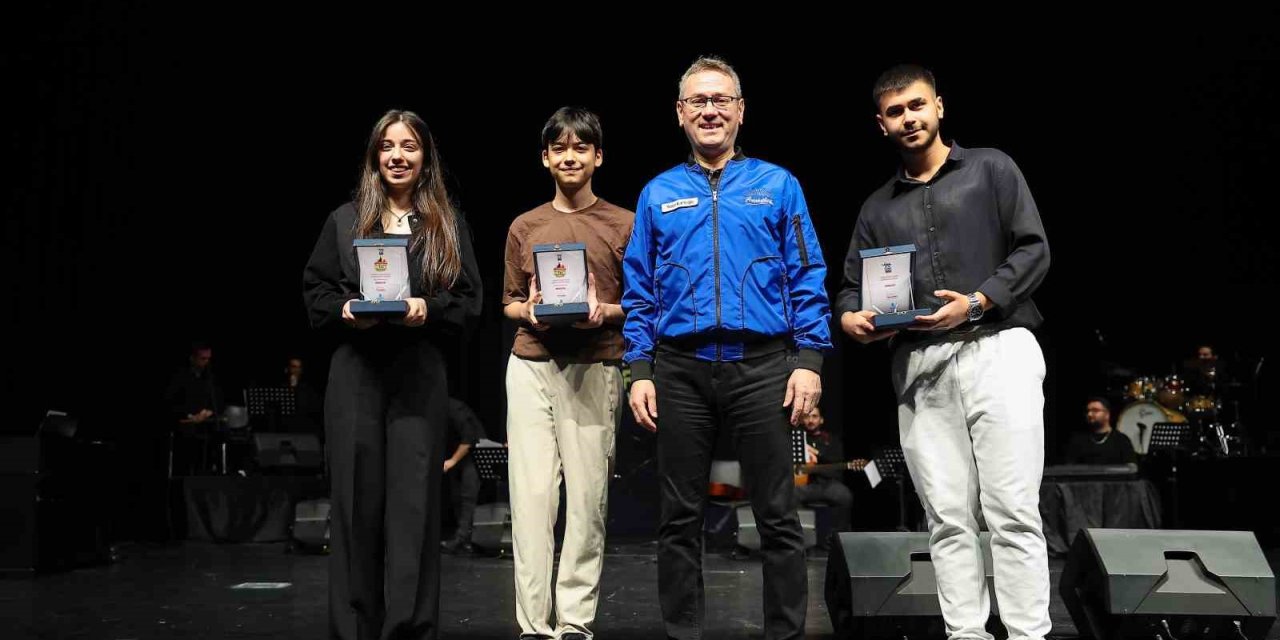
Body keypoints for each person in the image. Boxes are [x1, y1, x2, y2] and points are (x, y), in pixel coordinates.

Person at [836, 64, 1053, 640]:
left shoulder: (991, 168)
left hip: (999, 349)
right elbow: (852, 289)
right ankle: (966, 634)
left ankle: (1028, 634)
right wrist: (852, 318)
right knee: (947, 519)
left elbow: (1034, 250)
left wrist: (978, 302)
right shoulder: (877, 208)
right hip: (921, 365)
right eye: (895, 112)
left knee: (1012, 511)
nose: (908, 118)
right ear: (880, 124)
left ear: (938, 107)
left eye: (916, 105)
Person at [622, 56, 830, 640]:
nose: (709, 110)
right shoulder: (658, 193)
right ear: (679, 113)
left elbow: (807, 274)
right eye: (698, 101)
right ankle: (684, 633)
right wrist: (639, 368)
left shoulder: (778, 185)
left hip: (763, 366)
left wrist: (809, 360)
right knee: (678, 519)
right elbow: (639, 288)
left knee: (778, 516)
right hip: (679, 370)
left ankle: (784, 634)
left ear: (740, 110)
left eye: (720, 100)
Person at [303, 109, 482, 640]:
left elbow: (469, 301)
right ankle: (355, 629)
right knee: (354, 505)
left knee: (413, 508)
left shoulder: (446, 224)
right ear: (374, 156)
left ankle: (409, 629)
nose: (397, 156)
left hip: (418, 372)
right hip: (355, 374)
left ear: (425, 157)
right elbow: (315, 292)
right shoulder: (344, 220)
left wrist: (430, 307)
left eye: (409, 146)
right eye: (387, 146)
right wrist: (344, 309)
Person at [502, 107, 632, 640]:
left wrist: (605, 311)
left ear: (598, 156)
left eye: (581, 148)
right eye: (560, 148)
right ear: (545, 158)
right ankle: (534, 624)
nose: (570, 157)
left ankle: (574, 620)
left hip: (595, 364)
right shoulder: (525, 226)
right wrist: (530, 310)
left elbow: (642, 303)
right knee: (531, 499)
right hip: (531, 363)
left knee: (586, 501)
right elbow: (510, 303)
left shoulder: (623, 223)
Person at [1064, 397, 1136, 465]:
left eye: (1095, 410)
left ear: (1107, 414)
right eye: (1088, 411)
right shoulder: (1078, 440)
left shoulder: (1121, 440)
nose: (1089, 414)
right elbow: (1070, 468)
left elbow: (1130, 468)